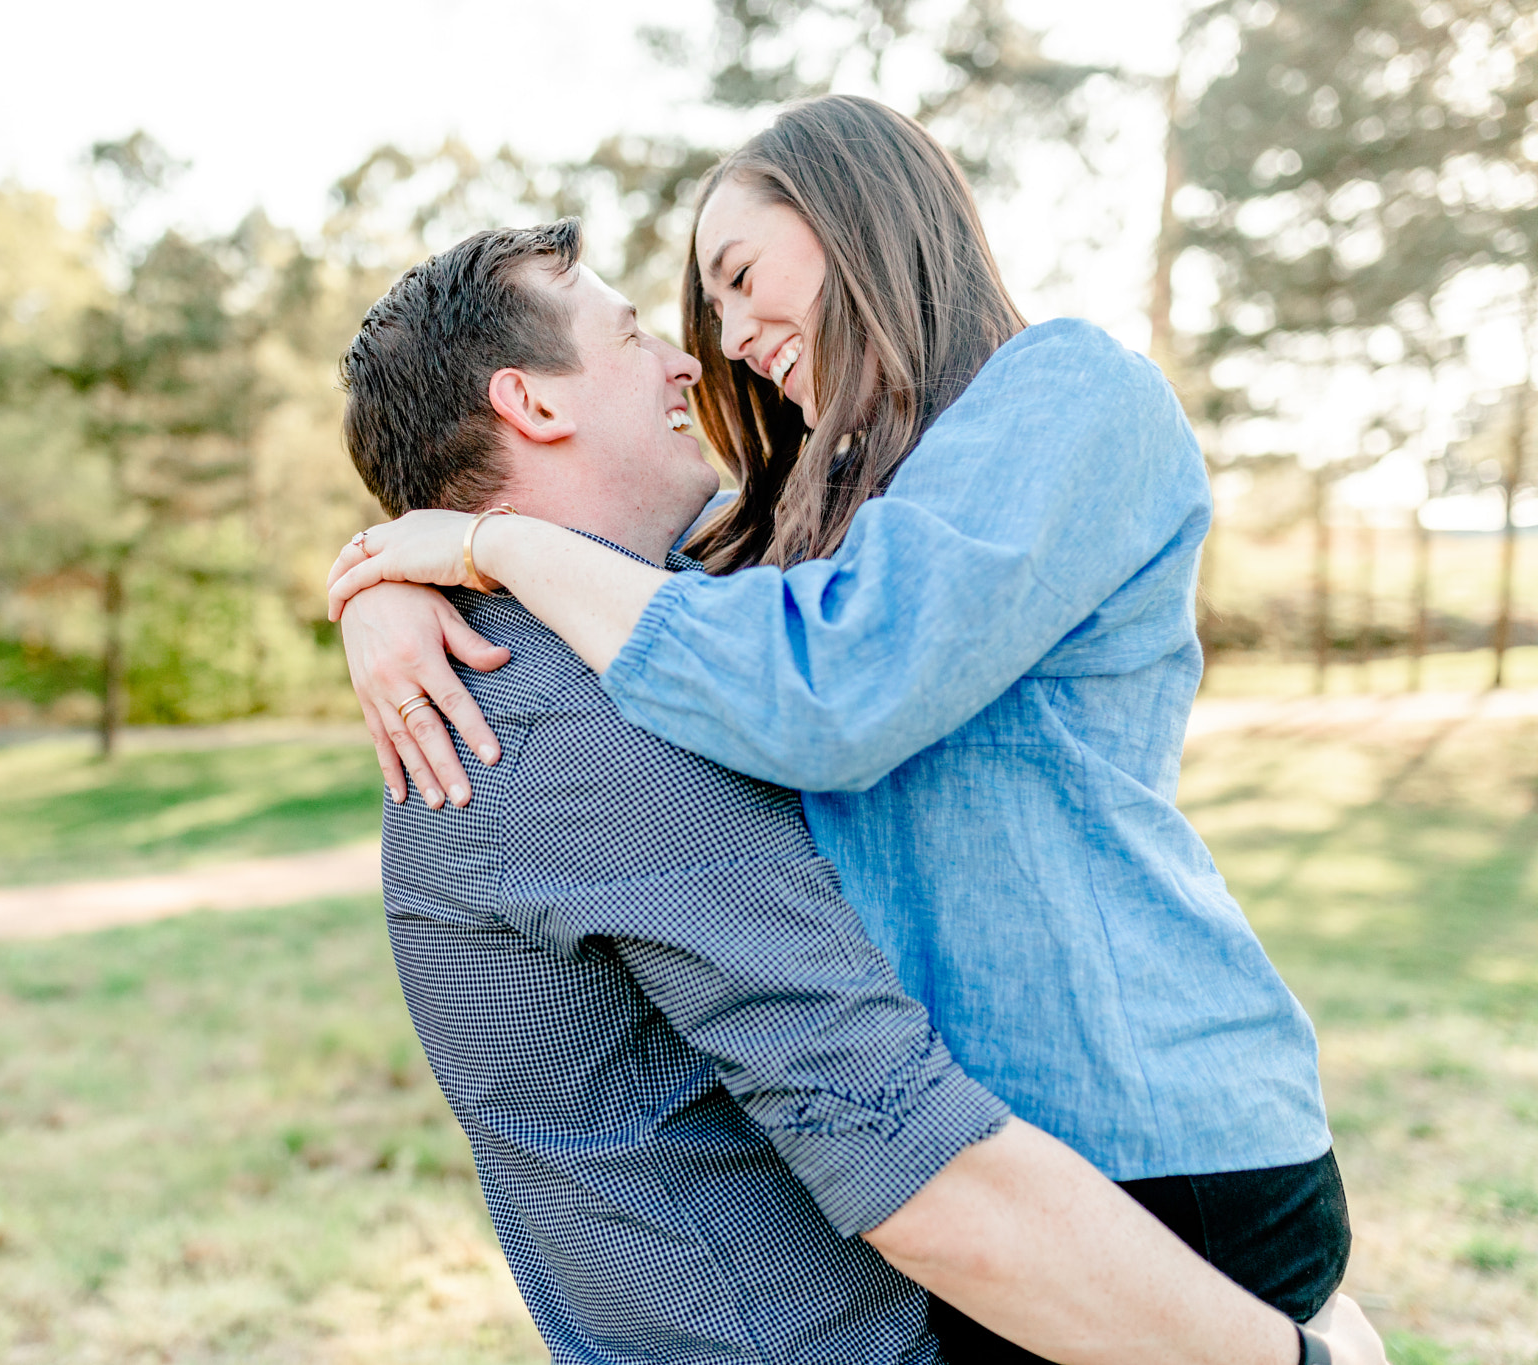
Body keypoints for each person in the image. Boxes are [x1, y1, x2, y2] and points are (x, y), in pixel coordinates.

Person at [326, 97, 1357, 1362]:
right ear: (531, 404)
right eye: (673, 322)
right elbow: (655, 603)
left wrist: (482, 543)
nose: (702, 357)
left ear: (859, 218)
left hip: (1143, 1135)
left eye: (740, 276)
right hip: (1019, 1184)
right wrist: (386, 584)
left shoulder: (1065, 394)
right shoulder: (790, 531)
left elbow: (824, 686)